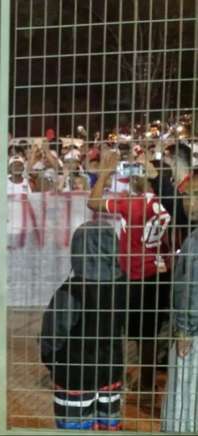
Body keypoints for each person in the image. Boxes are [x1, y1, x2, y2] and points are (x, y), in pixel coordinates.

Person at [87, 149, 171, 397]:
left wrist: (104, 173)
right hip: (159, 270)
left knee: (137, 332)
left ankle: (144, 383)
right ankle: (147, 378)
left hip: (137, 274)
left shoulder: (133, 204)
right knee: (150, 331)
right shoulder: (165, 202)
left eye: (136, 170)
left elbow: (93, 202)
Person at [40, 222, 126, 430]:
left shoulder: (71, 290)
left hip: (75, 374)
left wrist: (52, 362)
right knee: (108, 421)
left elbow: (53, 335)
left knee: (75, 424)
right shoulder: (122, 284)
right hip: (111, 370)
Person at [161, 176, 198, 432]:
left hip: (193, 335)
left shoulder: (195, 242)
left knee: (184, 398)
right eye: (187, 195)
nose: (188, 202)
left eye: (195, 195)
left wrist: (184, 329)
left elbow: (191, 288)